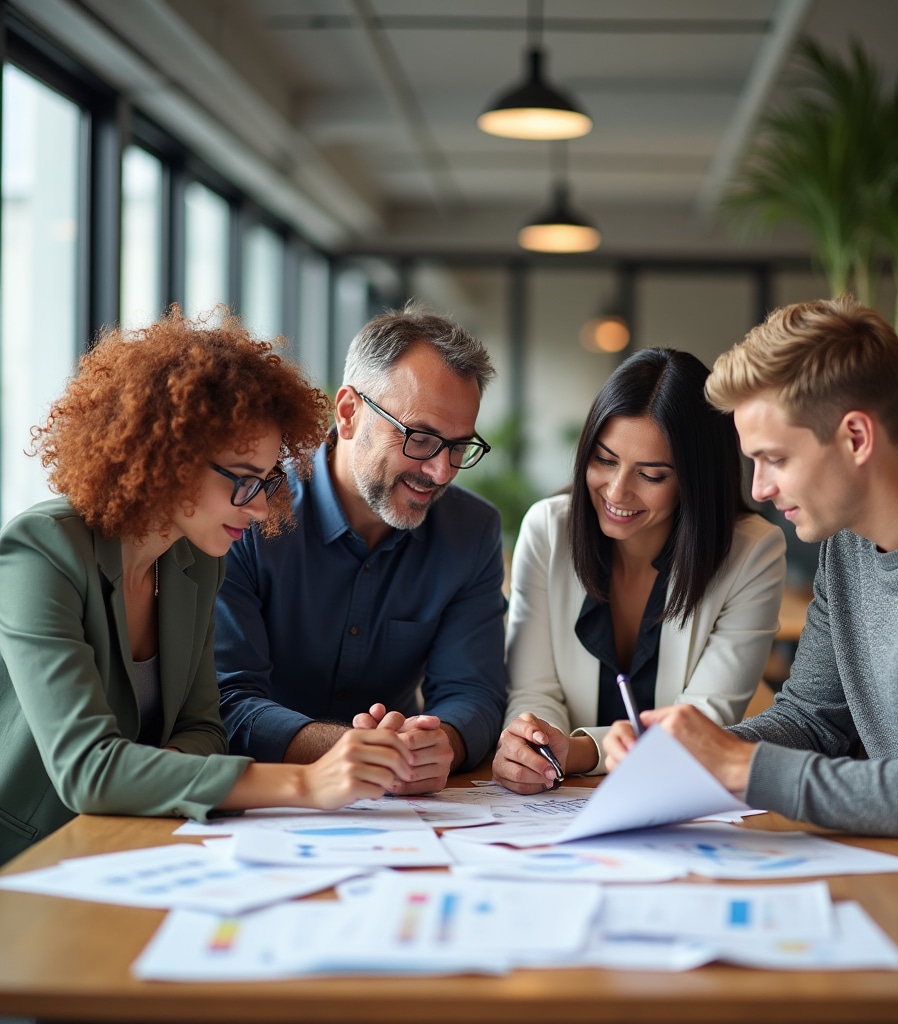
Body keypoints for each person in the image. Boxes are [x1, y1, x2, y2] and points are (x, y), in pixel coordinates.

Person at [605, 297, 898, 942]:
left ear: (856, 437)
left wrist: (740, 768)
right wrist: (685, 757)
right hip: (892, 867)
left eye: (774, 458)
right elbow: (812, 718)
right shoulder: (849, 541)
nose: (761, 488)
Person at [0, 308, 422, 865]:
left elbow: (205, 730)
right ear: (167, 456)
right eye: (245, 481)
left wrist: (154, 775)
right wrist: (306, 785)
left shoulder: (194, 565)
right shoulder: (43, 552)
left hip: (137, 846)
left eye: (270, 481)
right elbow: (88, 770)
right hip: (33, 858)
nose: (265, 507)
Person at [215, 305, 506, 795]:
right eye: (421, 439)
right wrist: (350, 749)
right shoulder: (247, 511)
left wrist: (443, 744)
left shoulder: (472, 531)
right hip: (265, 797)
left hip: (402, 807)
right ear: (348, 412)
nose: (442, 472)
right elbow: (226, 700)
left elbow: (472, 693)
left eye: (459, 447)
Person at [494, 347, 786, 794]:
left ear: (695, 480)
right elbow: (533, 691)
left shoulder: (753, 553)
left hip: (674, 798)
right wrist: (536, 746)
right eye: (605, 460)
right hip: (556, 801)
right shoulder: (547, 529)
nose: (616, 491)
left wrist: (578, 752)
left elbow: (703, 721)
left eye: (651, 475)